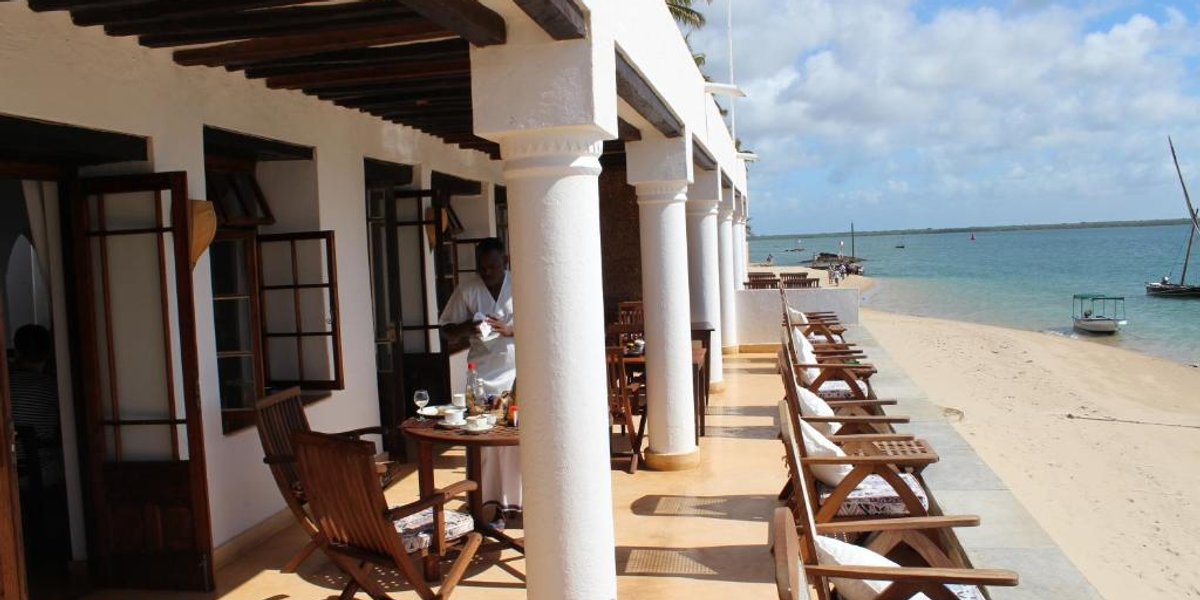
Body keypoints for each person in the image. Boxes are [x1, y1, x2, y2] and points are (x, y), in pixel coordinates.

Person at [438, 238, 519, 521]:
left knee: (513, 442)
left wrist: (509, 330)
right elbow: (447, 330)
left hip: (515, 375)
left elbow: (543, 323)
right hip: (481, 377)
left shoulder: (519, 284)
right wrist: (467, 326)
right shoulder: (468, 289)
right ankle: (485, 504)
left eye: (493, 266)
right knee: (482, 443)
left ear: (504, 261)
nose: (487, 272)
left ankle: (514, 503)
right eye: (481, 267)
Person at [9, 324, 63, 491]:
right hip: (46, 472)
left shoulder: (6, 384)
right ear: (48, 353)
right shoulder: (54, 387)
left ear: (17, 352)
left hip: (8, 473)